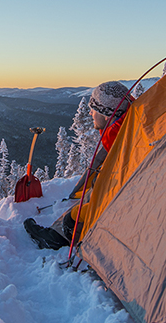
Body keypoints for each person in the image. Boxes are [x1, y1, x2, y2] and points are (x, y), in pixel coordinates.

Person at [25, 81, 134, 250]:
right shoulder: (122, 131)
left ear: (107, 114)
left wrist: (74, 217)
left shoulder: (126, 148)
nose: (90, 113)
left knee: (75, 215)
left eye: (94, 110)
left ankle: (57, 237)